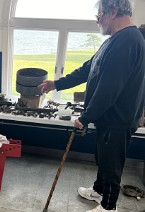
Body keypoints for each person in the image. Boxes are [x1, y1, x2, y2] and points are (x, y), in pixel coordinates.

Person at [39, 0, 145, 211]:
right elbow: (90, 67)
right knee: (103, 158)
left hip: (118, 119)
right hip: (109, 117)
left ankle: (108, 206)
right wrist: (58, 83)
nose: (98, 21)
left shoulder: (128, 41)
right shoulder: (115, 40)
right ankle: (98, 190)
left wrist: (86, 117)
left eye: (100, 15)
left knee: (111, 164)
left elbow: (109, 89)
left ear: (113, 12)